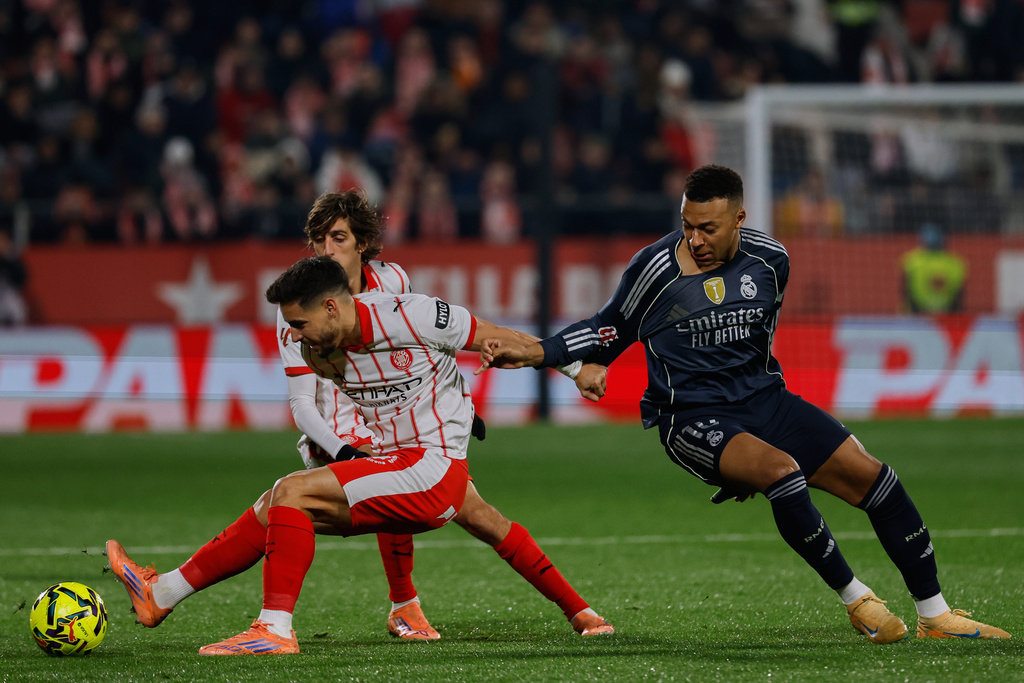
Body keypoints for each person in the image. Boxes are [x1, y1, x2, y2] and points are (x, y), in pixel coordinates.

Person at [478, 164, 1010, 644]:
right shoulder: (655, 268)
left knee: (880, 482)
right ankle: (858, 599)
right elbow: (609, 328)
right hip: (688, 415)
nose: (695, 238)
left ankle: (935, 615)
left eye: (708, 227)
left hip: (764, 401)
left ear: (739, 219)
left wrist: (743, 454)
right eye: (688, 224)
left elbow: (755, 344)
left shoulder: (772, 260)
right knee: (783, 473)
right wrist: (545, 352)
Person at [106, 215, 612, 656]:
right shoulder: (314, 346)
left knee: (292, 493)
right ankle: (162, 594)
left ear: (331, 308)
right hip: (407, 465)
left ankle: (275, 629)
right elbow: (321, 398)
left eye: (300, 323)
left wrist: (577, 367)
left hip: (430, 466)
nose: (294, 336)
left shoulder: (410, 314)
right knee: (273, 510)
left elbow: (505, 339)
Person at [900, 223, 967, 314]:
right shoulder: (955, 262)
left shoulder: (912, 260)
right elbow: (960, 295)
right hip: (941, 312)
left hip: (920, 313)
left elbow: (904, 289)